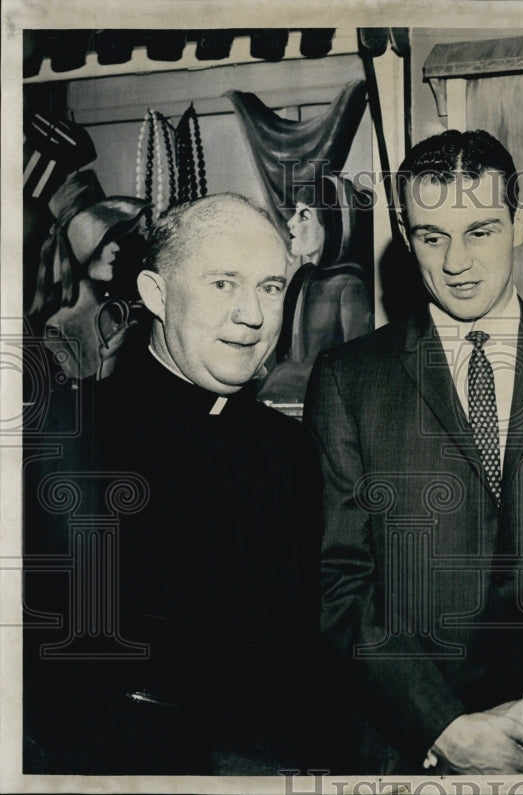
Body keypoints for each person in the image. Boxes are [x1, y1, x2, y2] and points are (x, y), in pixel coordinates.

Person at [305, 129, 523, 774]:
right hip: (409, 752)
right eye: (432, 237)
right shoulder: (350, 379)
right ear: (405, 240)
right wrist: (444, 727)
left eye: (481, 230)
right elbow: (340, 582)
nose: (456, 262)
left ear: (520, 223)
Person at [22, 193, 329, 774]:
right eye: (222, 284)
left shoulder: (289, 450)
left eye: (270, 287)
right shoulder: (66, 434)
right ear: (155, 295)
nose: (254, 316)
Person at [257, 174, 374, 404]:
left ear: (331, 224)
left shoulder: (350, 285)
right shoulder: (302, 278)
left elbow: (358, 367)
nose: (291, 223)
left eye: (304, 216)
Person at [27, 169, 150, 381]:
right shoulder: (59, 329)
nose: (115, 248)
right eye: (103, 240)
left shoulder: (116, 311)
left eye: (115, 238)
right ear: (80, 248)